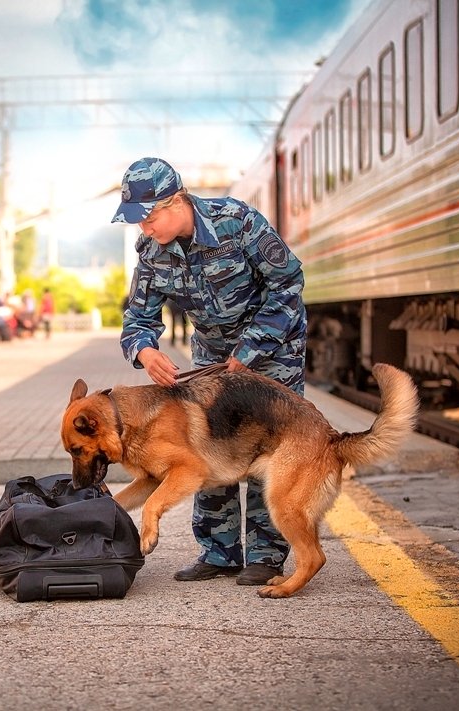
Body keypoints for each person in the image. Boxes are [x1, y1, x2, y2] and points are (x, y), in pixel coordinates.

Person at [112, 156, 308, 586]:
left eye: (148, 218)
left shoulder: (237, 221)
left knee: (268, 448)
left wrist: (251, 348)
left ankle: (266, 555)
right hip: (212, 359)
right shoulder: (151, 252)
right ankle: (219, 552)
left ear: (175, 200)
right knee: (205, 445)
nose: (144, 229)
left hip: (272, 352)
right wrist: (146, 352)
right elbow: (138, 318)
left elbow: (288, 283)